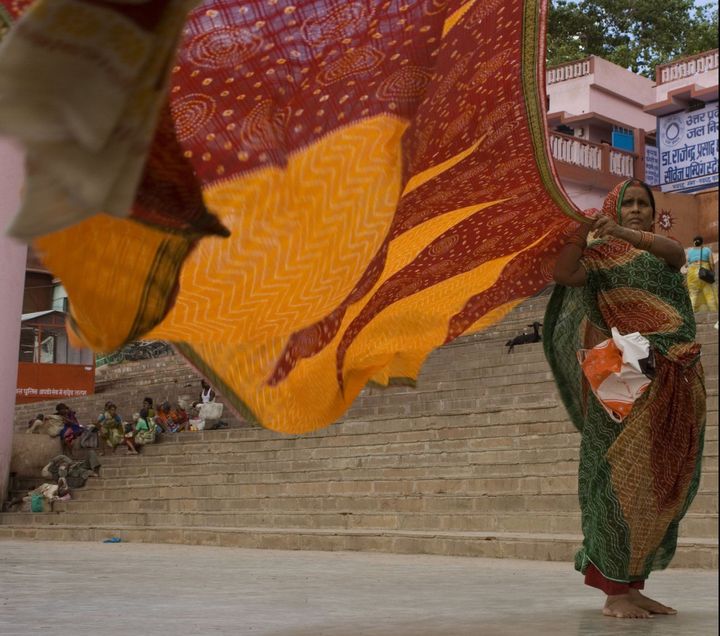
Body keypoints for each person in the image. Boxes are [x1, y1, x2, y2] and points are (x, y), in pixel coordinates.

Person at [545, 179, 706, 619]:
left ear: (652, 214)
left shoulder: (665, 252)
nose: (636, 209)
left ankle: (633, 586)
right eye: (627, 203)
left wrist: (620, 233)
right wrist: (581, 228)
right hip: (621, 365)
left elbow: (675, 256)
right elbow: (562, 274)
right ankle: (614, 590)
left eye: (642, 204)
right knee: (616, 477)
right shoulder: (596, 260)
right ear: (613, 208)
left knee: (658, 484)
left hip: (678, 364)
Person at [686, 236, 717, 312]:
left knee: (693, 294)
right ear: (702, 242)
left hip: (692, 273)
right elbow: (712, 263)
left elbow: (686, 264)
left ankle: (691, 312)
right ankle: (714, 312)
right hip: (704, 272)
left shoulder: (690, 251)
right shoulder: (707, 250)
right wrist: (712, 272)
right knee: (709, 293)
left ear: (694, 243)